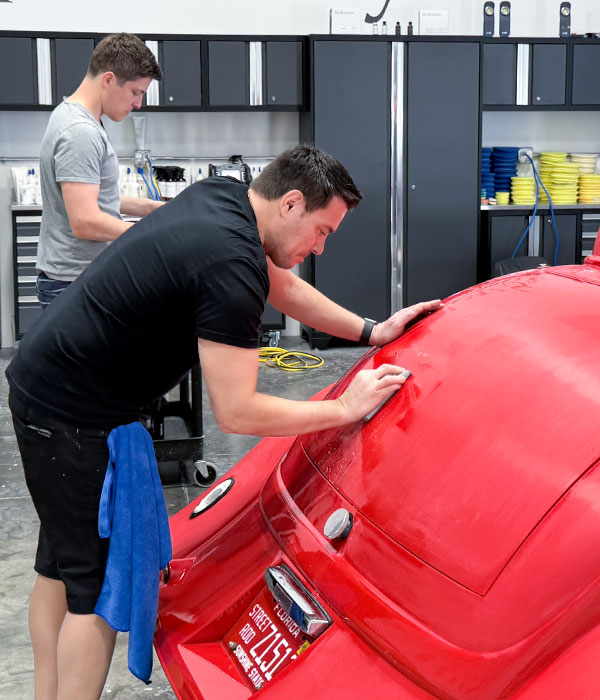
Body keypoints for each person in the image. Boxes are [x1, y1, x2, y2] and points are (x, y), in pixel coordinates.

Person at [7, 144, 442, 700]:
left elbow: (280, 286)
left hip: (45, 383)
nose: (320, 247)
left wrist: (369, 330)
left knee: (59, 564)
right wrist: (343, 408)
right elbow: (237, 411)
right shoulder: (230, 262)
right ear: (290, 204)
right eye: (323, 230)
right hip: (74, 416)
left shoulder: (224, 199)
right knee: (93, 593)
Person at [36, 33, 165, 308]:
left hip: (77, 279)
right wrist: (149, 236)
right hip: (73, 283)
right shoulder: (80, 132)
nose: (138, 103)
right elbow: (85, 221)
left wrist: (152, 209)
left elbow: (96, 198)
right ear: (108, 79)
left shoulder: (73, 116)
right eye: (136, 92)